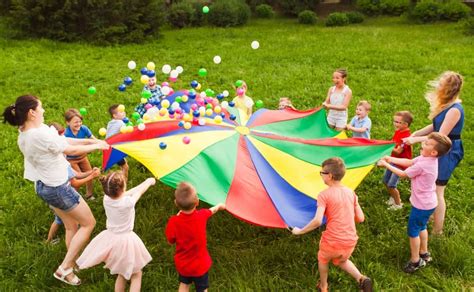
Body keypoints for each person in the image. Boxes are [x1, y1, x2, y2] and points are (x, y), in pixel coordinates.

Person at [2, 95, 109, 285]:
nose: (43, 111)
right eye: (40, 108)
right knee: (88, 223)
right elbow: (68, 150)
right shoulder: (38, 135)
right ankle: (65, 268)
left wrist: (89, 142)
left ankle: (72, 264)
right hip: (57, 188)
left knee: (70, 226)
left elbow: (64, 140)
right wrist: (97, 146)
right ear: (31, 112)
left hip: (43, 186)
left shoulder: (27, 131)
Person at [292, 158, 372, 292]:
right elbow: (361, 218)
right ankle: (361, 278)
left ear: (329, 176)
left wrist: (299, 231)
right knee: (342, 261)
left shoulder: (324, 195)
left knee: (323, 259)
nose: (321, 175)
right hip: (350, 240)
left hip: (332, 241)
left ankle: (323, 286)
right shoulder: (351, 193)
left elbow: (317, 221)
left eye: (321, 172)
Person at [378, 132, 452, 273]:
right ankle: (424, 253)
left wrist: (386, 164)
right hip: (429, 203)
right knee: (422, 227)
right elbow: (410, 162)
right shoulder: (427, 158)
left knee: (413, 232)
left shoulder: (424, 164)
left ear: (434, 151)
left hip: (422, 206)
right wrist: (390, 158)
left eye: (427, 143)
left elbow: (403, 174)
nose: (422, 144)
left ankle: (415, 261)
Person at [403, 71, 464, 235]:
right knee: (431, 185)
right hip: (440, 147)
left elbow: (440, 136)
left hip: (448, 150)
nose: (437, 85)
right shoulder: (446, 106)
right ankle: (431, 214)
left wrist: (416, 140)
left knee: (438, 190)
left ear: (449, 89)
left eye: (441, 83)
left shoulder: (455, 110)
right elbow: (434, 126)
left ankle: (438, 231)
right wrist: (416, 133)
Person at [76, 170, 155, 292]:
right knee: (136, 274)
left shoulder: (106, 199)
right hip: (126, 242)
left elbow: (128, 193)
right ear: (122, 188)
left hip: (112, 239)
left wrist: (144, 183)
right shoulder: (127, 203)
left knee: (122, 274)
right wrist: (148, 182)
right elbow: (138, 192)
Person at [165, 182, 226, 292]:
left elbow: (170, 241)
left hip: (183, 265)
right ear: (197, 202)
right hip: (200, 266)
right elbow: (212, 210)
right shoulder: (202, 215)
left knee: (184, 285)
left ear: (176, 203)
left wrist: (177, 217)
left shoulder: (173, 221)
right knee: (202, 289)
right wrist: (219, 206)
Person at [47, 165, 101, 243]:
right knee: (73, 224)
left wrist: (91, 172)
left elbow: (77, 174)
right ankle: (78, 243)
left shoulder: (57, 162)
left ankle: (49, 240)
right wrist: (92, 176)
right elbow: (75, 183)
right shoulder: (61, 165)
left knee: (59, 220)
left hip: (54, 196)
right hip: (64, 198)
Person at [382, 111, 413, 210]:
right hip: (393, 161)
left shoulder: (406, 137)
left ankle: (398, 204)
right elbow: (393, 143)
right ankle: (393, 197)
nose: (395, 124)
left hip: (400, 163)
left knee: (391, 184)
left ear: (405, 124)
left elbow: (398, 152)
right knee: (385, 181)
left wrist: (385, 148)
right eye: (394, 121)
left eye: (398, 122)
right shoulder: (399, 131)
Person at [64, 108, 96, 200]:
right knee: (77, 179)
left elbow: (92, 138)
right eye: (75, 122)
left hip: (83, 156)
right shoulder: (66, 134)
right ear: (67, 122)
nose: (78, 124)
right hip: (71, 159)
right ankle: (74, 197)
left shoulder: (84, 128)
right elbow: (68, 149)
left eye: (80, 121)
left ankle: (89, 195)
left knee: (90, 174)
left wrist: (99, 143)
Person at [106, 104, 129, 171]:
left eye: (123, 111)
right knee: (125, 167)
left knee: (123, 164)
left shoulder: (110, 123)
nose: (124, 112)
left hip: (109, 147)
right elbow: (126, 133)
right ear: (115, 115)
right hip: (115, 149)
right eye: (121, 111)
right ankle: (123, 180)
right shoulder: (120, 123)